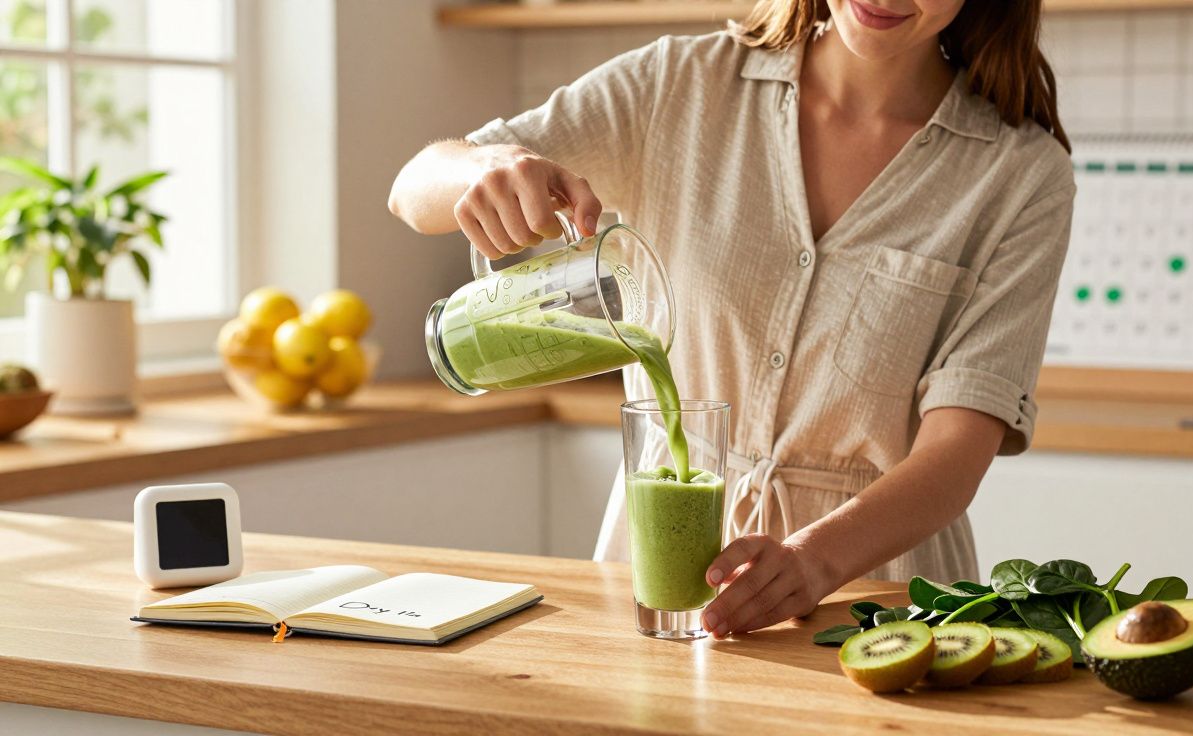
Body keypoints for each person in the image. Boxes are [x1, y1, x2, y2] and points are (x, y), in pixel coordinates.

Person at [389, 0, 1074, 640]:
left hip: (878, 596)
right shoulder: (678, 85)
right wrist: (489, 166)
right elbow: (413, 190)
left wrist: (814, 561)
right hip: (658, 576)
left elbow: (955, 454)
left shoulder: (1021, 174)